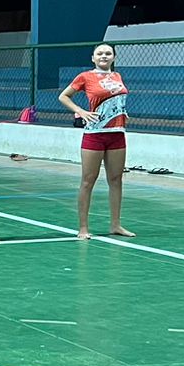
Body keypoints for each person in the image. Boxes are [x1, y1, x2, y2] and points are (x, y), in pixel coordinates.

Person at [58, 44, 135, 240]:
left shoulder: (117, 76)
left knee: (116, 180)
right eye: (100, 53)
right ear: (93, 57)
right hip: (95, 134)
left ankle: (116, 224)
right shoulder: (85, 76)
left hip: (117, 133)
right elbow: (64, 96)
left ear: (113, 57)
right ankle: (83, 228)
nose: (104, 56)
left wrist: (120, 112)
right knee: (88, 180)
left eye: (108, 53)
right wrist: (80, 111)